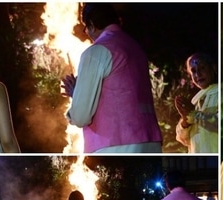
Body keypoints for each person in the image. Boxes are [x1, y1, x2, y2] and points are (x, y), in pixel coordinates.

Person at [61, 3, 162, 153]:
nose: (87, 33)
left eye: (86, 28)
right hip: (150, 141)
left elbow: (81, 117)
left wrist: (76, 93)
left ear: (92, 25)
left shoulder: (96, 52)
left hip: (115, 145)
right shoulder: (135, 48)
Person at [175, 52, 219, 153]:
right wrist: (185, 121)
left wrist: (193, 114)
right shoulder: (194, 100)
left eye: (202, 68)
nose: (198, 74)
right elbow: (182, 139)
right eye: (193, 71)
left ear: (214, 68)